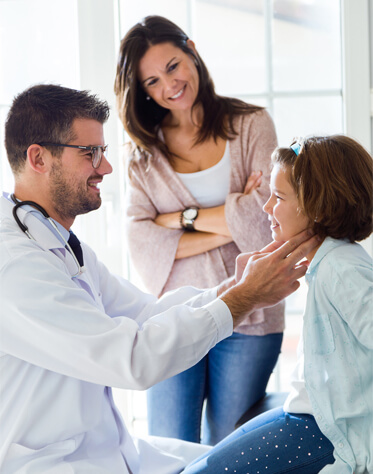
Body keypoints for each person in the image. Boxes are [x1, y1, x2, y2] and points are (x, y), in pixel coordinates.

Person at [0, 84, 318, 473]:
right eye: (90, 153)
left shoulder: (58, 243)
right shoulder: (14, 266)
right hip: (56, 465)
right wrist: (244, 299)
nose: (106, 167)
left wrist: (235, 287)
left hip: (110, 453)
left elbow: (146, 315)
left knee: (228, 457)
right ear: (38, 157)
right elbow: (131, 359)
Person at [114, 15, 285, 445]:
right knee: (169, 445)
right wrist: (234, 219)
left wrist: (179, 222)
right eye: (151, 81)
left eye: (172, 66)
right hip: (175, 315)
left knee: (230, 450)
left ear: (191, 48)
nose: (168, 86)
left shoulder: (252, 125)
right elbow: (141, 239)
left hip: (252, 313)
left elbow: (269, 224)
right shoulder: (144, 155)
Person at [182, 135, 373, 474]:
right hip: (302, 410)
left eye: (278, 197)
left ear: (318, 207)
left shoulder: (342, 269)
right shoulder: (329, 261)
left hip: (325, 429)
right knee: (193, 465)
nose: (266, 207)